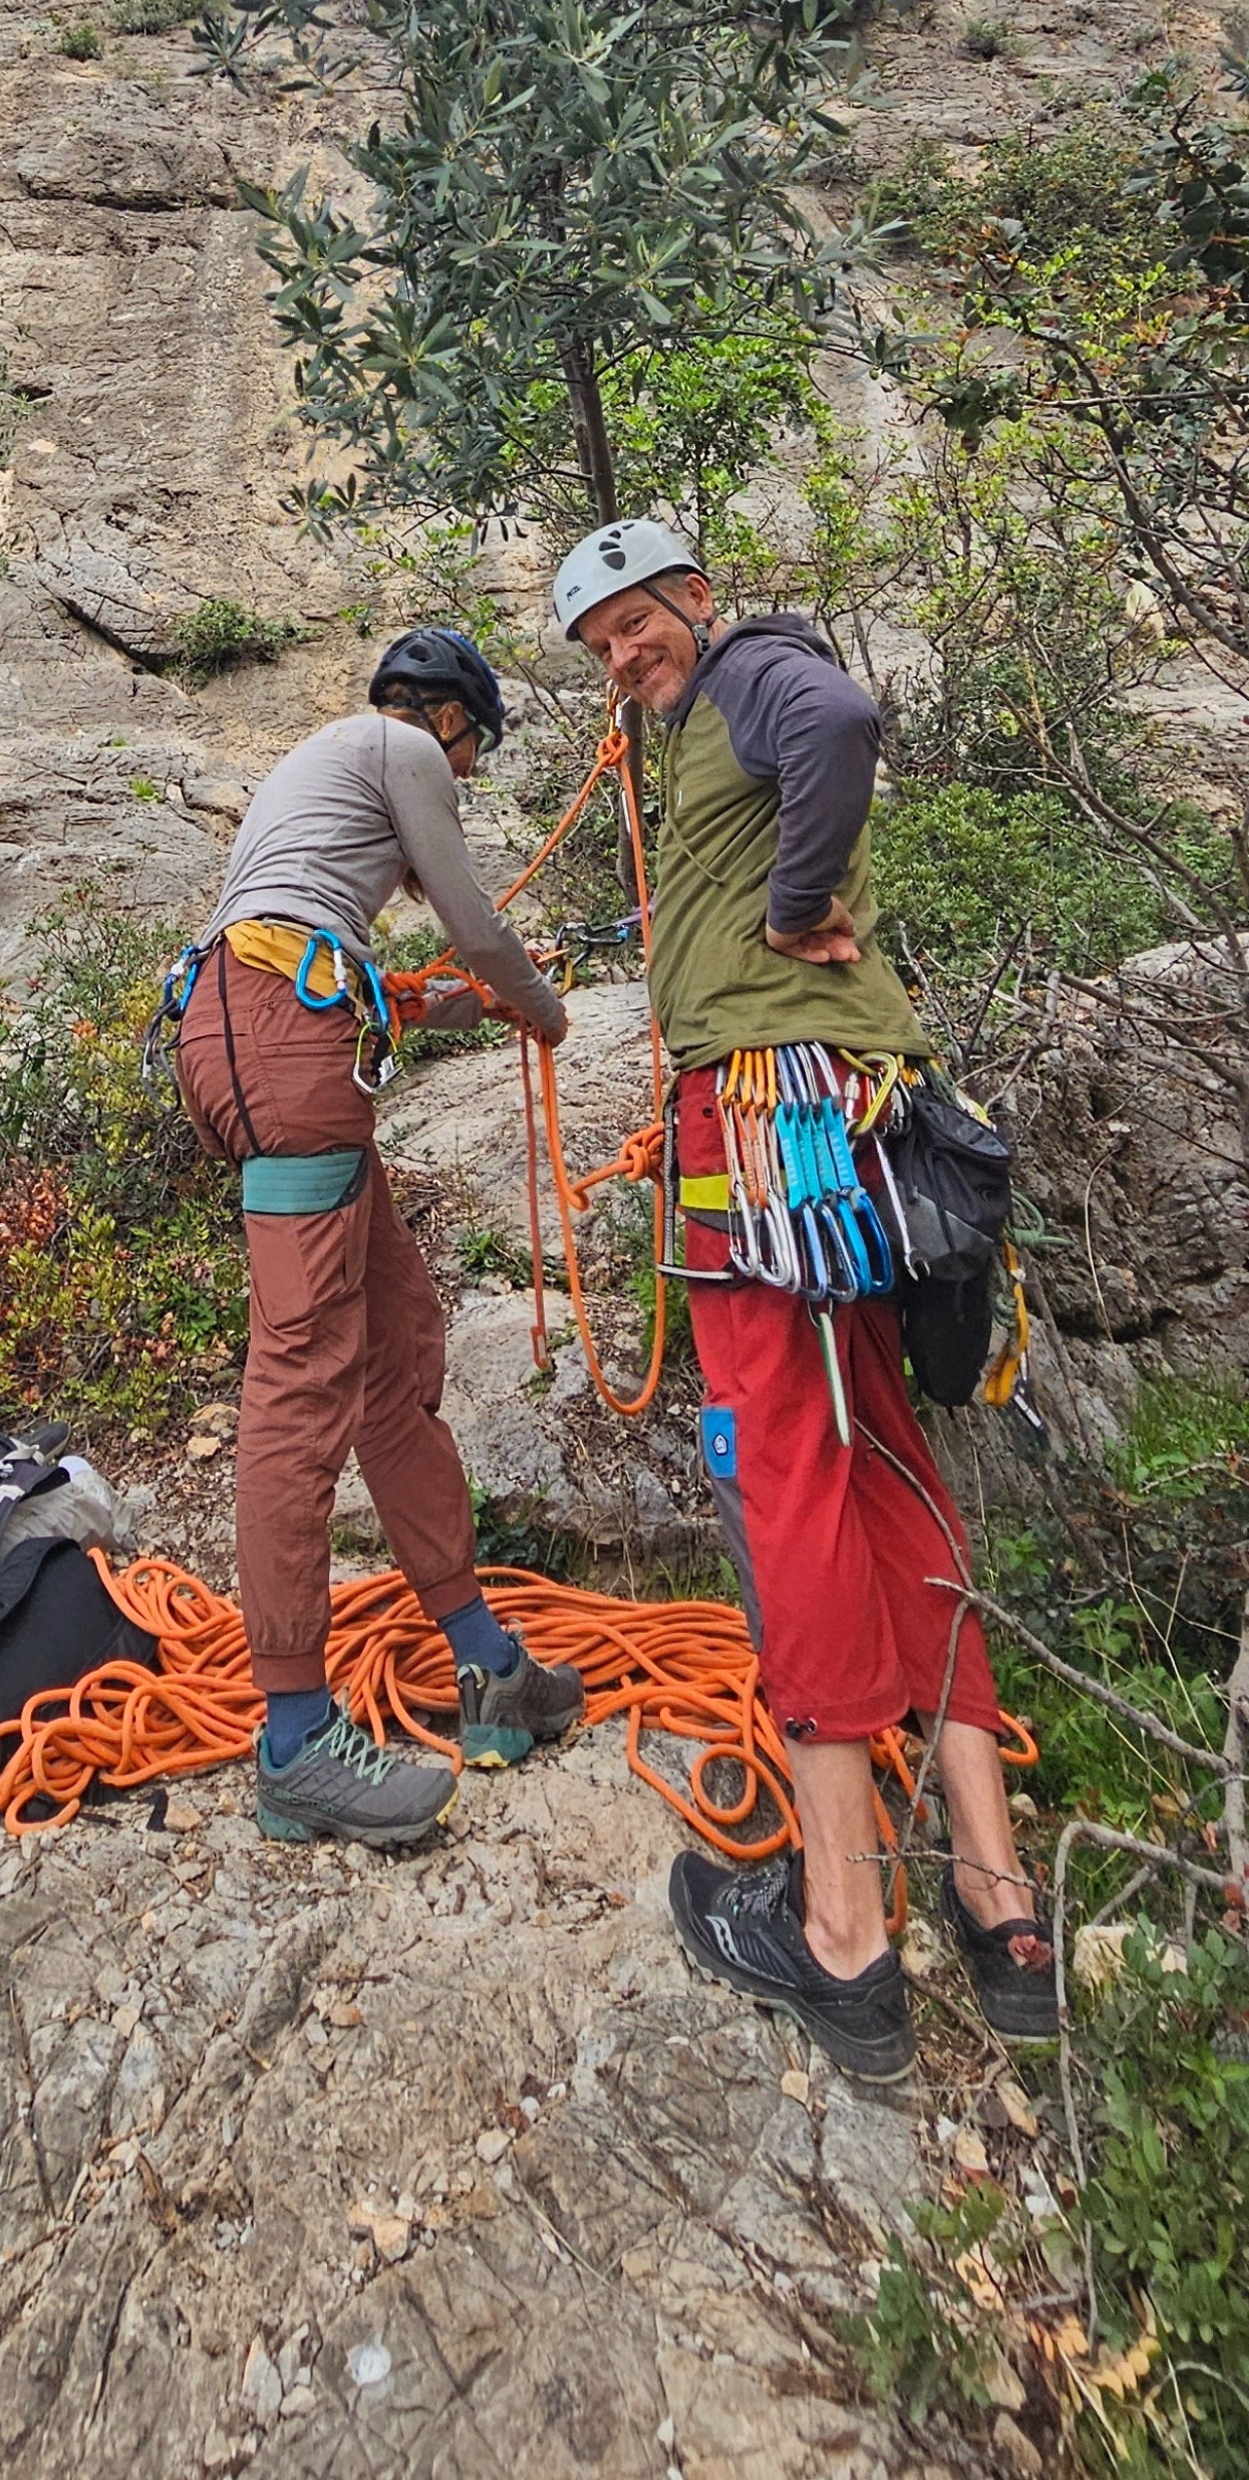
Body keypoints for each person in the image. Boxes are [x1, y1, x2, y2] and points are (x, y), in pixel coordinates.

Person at [553, 519, 1058, 2078]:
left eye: (642, 623)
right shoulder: (699, 706)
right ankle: (999, 1900)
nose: (629, 656)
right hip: (838, 1115)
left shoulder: (757, 666)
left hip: (773, 1125)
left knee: (789, 1475)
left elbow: (841, 728)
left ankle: (844, 1927)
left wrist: (787, 910)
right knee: (887, 1461)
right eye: (605, 645)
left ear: (694, 599)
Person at [174, 627, 586, 1852]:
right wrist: (541, 1008)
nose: (459, 774)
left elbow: (354, 969)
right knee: (302, 1379)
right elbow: (470, 919)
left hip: (267, 1031)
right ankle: (296, 1740)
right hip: (277, 1042)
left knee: (395, 1354)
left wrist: (470, 1001)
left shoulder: (325, 776)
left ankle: (488, 1668)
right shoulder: (402, 743)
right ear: (450, 717)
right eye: (471, 750)